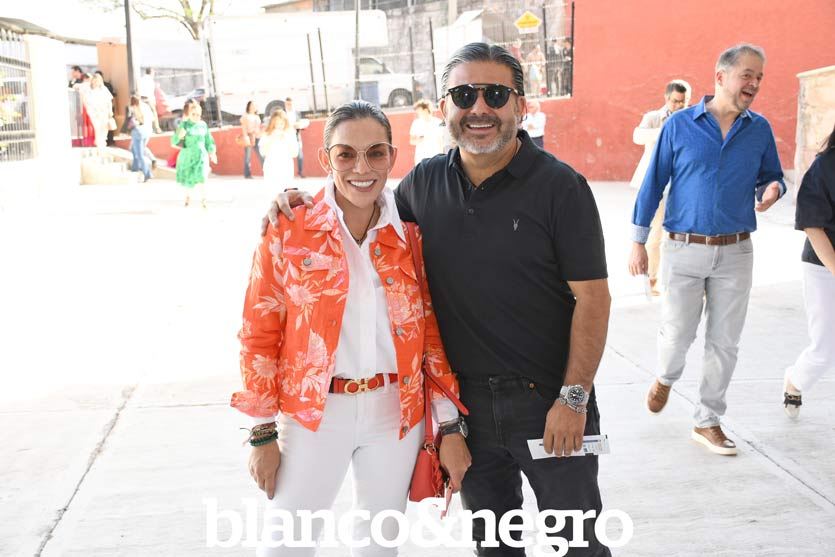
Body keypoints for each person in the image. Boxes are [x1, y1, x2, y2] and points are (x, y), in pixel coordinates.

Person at [267, 42, 612, 556]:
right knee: (495, 547)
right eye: (464, 95)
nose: (479, 108)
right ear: (444, 106)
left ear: (520, 105)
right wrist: (300, 202)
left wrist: (573, 399)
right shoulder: (423, 184)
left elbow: (594, 300)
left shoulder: (562, 188)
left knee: (577, 544)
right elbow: (361, 200)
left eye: (495, 95)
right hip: (468, 412)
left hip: (548, 402)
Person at [233, 100, 463, 556]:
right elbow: (258, 332)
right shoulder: (289, 228)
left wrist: (450, 425)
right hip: (314, 416)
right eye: (346, 154)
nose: (362, 168)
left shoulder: (411, 234)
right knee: (286, 546)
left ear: (392, 156)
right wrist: (261, 431)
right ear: (325, 159)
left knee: (378, 548)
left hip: (395, 415)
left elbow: (431, 335)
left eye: (375, 153)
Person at [629, 44, 786, 455]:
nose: (754, 84)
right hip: (683, 249)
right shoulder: (680, 126)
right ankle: (665, 376)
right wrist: (638, 241)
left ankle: (707, 420)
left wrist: (773, 188)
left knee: (725, 342)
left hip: (736, 252)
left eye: (759, 77)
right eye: (747, 75)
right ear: (721, 76)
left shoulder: (759, 129)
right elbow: (653, 183)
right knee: (678, 332)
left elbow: (771, 175)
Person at [783, 124, 835, 418]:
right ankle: (794, 381)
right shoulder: (824, 166)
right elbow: (812, 225)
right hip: (822, 267)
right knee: (825, 350)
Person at [629, 80, 689, 295]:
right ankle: (652, 279)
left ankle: (678, 280)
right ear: (666, 98)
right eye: (675, 101)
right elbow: (637, 136)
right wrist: (667, 129)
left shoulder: (690, 120)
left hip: (681, 186)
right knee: (655, 235)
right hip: (655, 185)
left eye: (683, 102)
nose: (679, 106)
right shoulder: (653, 117)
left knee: (681, 235)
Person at [172, 102, 217, 208]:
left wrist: (212, 153)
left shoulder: (203, 125)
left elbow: (208, 140)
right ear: (189, 114)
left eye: (198, 115)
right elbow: (174, 141)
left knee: (202, 177)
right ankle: (188, 196)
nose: (196, 117)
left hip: (201, 156)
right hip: (188, 157)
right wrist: (179, 135)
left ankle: (204, 199)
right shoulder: (184, 125)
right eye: (193, 114)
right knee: (189, 179)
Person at [258, 109, 299, 186]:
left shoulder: (290, 133)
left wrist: (286, 138)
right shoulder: (267, 133)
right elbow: (262, 152)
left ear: (285, 122)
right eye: (276, 123)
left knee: (285, 189)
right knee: (272, 189)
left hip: (286, 166)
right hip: (271, 166)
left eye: (281, 123)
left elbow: (295, 153)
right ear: (272, 123)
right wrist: (272, 139)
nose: (279, 126)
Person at [82, 72, 114, 150]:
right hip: (94, 112)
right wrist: (89, 110)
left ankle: (102, 142)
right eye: (95, 80)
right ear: (92, 81)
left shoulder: (104, 89)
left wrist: (110, 111)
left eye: (98, 80)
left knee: (104, 128)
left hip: (104, 111)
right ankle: (98, 142)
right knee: (97, 127)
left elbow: (109, 101)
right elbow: (85, 101)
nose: (96, 82)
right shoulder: (89, 90)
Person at [126, 95, 154, 182]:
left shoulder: (132, 109)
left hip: (137, 132)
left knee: (140, 155)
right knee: (133, 150)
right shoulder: (142, 108)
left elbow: (129, 121)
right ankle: (135, 168)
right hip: (145, 132)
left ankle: (147, 173)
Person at [409, 99, 444, 165]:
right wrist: (420, 139)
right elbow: (411, 141)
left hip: (436, 157)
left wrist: (442, 155)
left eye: (419, 111)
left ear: (426, 110)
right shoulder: (416, 123)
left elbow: (442, 141)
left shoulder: (438, 122)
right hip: (420, 158)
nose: (418, 113)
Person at [240, 100, 265, 179]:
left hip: (257, 137)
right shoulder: (245, 116)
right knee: (248, 156)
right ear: (249, 106)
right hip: (249, 136)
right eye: (252, 105)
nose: (253, 107)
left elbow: (258, 127)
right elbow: (244, 127)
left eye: (254, 105)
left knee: (261, 154)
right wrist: (245, 137)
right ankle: (247, 174)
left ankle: (267, 171)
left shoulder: (257, 116)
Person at [283, 97, 307, 178]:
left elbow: (301, 124)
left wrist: (299, 125)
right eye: (287, 104)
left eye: (290, 104)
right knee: (287, 156)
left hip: (296, 136)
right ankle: (288, 173)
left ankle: (300, 172)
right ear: (285, 104)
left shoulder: (297, 113)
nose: (289, 105)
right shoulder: (283, 113)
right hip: (286, 137)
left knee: (300, 155)